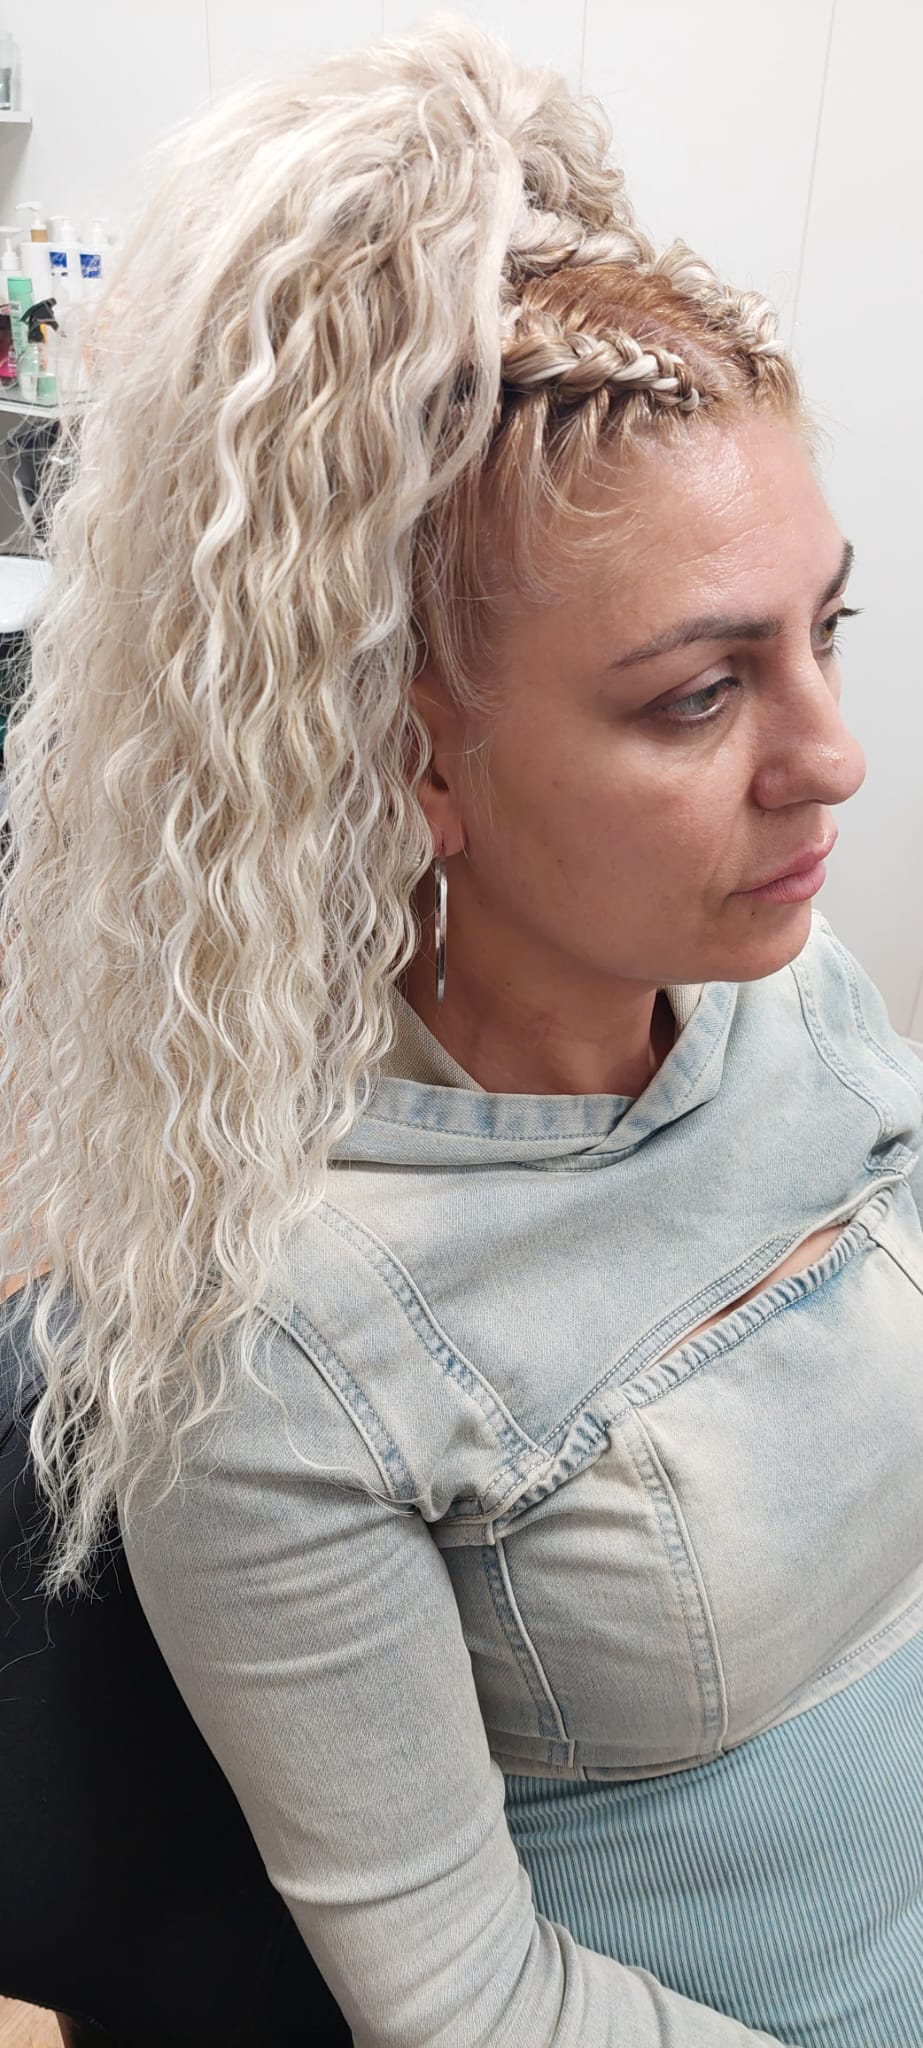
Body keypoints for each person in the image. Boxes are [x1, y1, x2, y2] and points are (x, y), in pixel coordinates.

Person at [0, 16, 920, 2046]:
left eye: (824, 631)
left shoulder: (791, 990)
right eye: (702, 693)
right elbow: (471, 2003)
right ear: (413, 759)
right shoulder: (280, 1347)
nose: (832, 757)